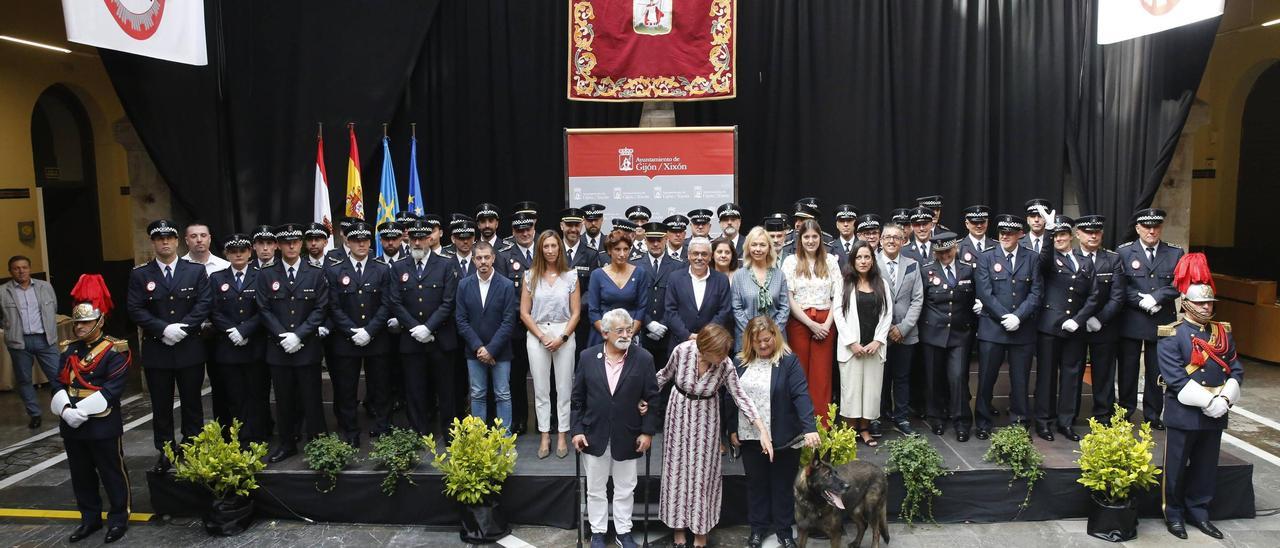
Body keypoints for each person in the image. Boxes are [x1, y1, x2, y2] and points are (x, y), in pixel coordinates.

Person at [658, 323, 773, 548]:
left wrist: (762, 430)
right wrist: (639, 397)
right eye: (718, 354)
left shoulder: (726, 365)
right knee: (676, 471)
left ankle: (701, 532)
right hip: (678, 413)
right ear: (704, 348)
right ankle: (678, 529)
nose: (722, 358)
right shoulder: (682, 351)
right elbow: (662, 376)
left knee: (703, 474)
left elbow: (740, 396)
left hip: (706, 417)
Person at [1157, 253, 1241, 540]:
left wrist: (1224, 401)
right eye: (1200, 303)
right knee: (1177, 468)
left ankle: (1199, 512)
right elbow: (1176, 378)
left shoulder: (1223, 333)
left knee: (1206, 469)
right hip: (1186, 412)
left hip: (1217, 411)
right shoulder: (1172, 334)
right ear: (1186, 304)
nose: (1206, 308)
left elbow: (1236, 370)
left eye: (1209, 303)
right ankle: (1174, 514)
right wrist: (1208, 402)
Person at [126, 219, 212, 472]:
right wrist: (162, 328)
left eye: (169, 238)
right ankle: (165, 449)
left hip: (189, 348)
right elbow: (134, 308)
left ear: (177, 241)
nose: (165, 242)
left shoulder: (195, 271)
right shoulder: (140, 274)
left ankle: (192, 445)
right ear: (153, 242)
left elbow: (204, 304)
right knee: (161, 405)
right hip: (158, 349)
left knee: (192, 402)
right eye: (159, 238)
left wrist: (182, 328)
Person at [727, 316, 820, 548]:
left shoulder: (788, 361)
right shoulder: (739, 362)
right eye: (757, 341)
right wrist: (731, 429)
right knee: (756, 485)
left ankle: (784, 531)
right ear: (749, 341)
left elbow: (801, 395)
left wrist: (809, 428)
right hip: (750, 436)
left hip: (784, 438)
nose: (763, 345)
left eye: (767, 340)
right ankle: (757, 529)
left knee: (781, 486)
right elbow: (730, 398)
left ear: (775, 337)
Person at [52, 275, 131, 544]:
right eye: (77, 323)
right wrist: (65, 411)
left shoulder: (114, 350)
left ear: (99, 321)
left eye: (86, 322)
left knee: (111, 472)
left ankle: (119, 518)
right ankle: (90, 519)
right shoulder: (69, 349)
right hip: (72, 423)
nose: (80, 327)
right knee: (81, 475)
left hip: (101, 421)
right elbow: (56, 381)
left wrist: (80, 412)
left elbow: (112, 389)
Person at [571, 309, 659, 548]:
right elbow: (577, 398)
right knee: (596, 488)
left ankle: (623, 532)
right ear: (605, 333)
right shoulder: (587, 357)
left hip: (628, 434)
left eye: (628, 330)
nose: (625, 334)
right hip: (593, 434)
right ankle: (598, 531)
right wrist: (577, 430)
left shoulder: (643, 358)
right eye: (619, 330)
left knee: (625, 488)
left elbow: (652, 398)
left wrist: (647, 431)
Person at [257, 223, 330, 463]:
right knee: (284, 399)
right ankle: (287, 443)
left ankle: (318, 443)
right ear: (278, 245)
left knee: (312, 398)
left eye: (295, 241)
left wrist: (298, 335)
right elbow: (264, 309)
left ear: (301, 244)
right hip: (278, 349)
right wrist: (282, 336)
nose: (291, 245)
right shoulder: (266, 274)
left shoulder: (315, 272)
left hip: (306, 347)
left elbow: (320, 308)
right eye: (286, 242)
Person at [323, 221, 394, 446]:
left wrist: (369, 330)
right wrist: (352, 331)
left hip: (376, 338)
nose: (361, 244)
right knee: (346, 389)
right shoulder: (335, 270)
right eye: (356, 240)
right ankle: (351, 432)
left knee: (381, 387)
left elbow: (387, 304)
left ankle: (383, 428)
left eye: (365, 240)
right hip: (347, 340)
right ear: (348, 242)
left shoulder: (382, 269)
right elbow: (333, 306)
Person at [974, 214, 1043, 439]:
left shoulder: (1032, 258)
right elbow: (985, 292)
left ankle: (1020, 421)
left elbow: (1036, 292)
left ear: (1020, 235)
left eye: (1010, 233)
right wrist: (1006, 317)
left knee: (1020, 378)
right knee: (986, 378)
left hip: (1022, 330)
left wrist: (1019, 317)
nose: (1005, 236)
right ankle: (983, 422)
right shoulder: (986, 257)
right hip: (993, 328)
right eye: (1002, 232)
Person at [388, 219, 459, 437]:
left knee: (446, 391)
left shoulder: (446, 264)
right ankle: (418, 433)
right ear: (408, 240)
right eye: (413, 239)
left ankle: (449, 434)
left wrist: (428, 328)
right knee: (415, 390)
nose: (417, 242)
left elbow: (448, 302)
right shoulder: (399, 267)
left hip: (440, 339)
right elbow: (395, 302)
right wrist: (414, 328)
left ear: (430, 239)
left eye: (422, 238)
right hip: (412, 341)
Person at [1032, 218, 1099, 442]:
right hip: (1050, 326)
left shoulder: (1085, 260)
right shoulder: (1050, 258)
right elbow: (1042, 261)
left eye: (1062, 234)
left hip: (1075, 329)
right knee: (1047, 376)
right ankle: (1043, 421)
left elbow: (1093, 296)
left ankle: (1066, 422)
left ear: (1071, 236)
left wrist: (1079, 320)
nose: (1059, 238)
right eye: (1055, 235)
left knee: (1072, 376)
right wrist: (1048, 233)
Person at [1117, 208, 1183, 430]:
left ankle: (1153, 415)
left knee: (1157, 370)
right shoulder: (1124, 252)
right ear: (1138, 229)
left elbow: (1179, 284)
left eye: (1155, 227)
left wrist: (1156, 297)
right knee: (1128, 368)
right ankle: (1125, 412)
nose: (1151, 231)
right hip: (1133, 319)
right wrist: (1140, 301)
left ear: (1161, 228)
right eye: (1146, 227)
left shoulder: (1175, 253)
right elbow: (1120, 286)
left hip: (1162, 319)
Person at [519, 230, 581, 458]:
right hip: (537, 333)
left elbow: (576, 313)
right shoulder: (530, 275)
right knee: (541, 388)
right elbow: (524, 313)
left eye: (554, 246)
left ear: (560, 248)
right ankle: (545, 435)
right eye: (546, 246)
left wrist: (562, 337)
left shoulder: (571, 276)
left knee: (564, 387)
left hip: (564, 331)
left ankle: (563, 435)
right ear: (540, 250)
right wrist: (542, 336)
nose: (550, 250)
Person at [207, 234, 270, 444]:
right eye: (233, 251)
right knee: (234, 396)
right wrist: (231, 330)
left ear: (250, 252)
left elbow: (265, 308)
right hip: (228, 347)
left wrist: (244, 330)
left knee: (257, 395)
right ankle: (239, 438)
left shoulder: (261, 275)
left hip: (254, 345)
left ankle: (259, 437)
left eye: (242, 250)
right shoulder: (217, 278)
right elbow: (213, 310)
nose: (238, 254)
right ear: (226, 254)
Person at [781, 220, 842, 422]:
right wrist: (810, 323)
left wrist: (826, 325)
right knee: (800, 374)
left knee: (822, 376)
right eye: (806, 237)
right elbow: (788, 296)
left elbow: (838, 296)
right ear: (800, 239)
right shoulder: (791, 261)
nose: (810, 240)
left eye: (814, 236)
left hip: (826, 322)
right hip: (800, 321)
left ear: (820, 238)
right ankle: (801, 425)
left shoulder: (831, 261)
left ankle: (822, 426)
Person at [919, 232, 978, 441]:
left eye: (948, 251)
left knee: (958, 378)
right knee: (934, 379)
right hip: (933, 333)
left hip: (960, 333)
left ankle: (961, 421)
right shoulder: (926, 271)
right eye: (940, 252)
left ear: (956, 249)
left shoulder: (968, 270)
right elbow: (921, 301)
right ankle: (936, 417)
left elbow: (974, 298)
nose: (945, 255)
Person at [455, 241, 519, 433]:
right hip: (474, 351)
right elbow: (461, 320)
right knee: (477, 394)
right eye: (479, 258)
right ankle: (478, 439)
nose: (483, 261)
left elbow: (509, 321)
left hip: (500, 351)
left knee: (503, 394)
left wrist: (491, 349)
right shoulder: (464, 285)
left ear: (493, 258)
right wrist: (479, 348)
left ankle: (505, 439)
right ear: (473, 260)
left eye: (487, 257)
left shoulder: (506, 285)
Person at [833, 241, 892, 446]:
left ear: (872, 260)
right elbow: (838, 314)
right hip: (852, 349)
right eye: (859, 257)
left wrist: (878, 340)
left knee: (871, 391)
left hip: (874, 348)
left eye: (867, 257)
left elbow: (887, 314)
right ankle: (849, 431)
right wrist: (851, 342)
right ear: (852, 260)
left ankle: (865, 429)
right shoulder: (844, 282)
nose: (863, 261)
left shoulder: (881, 283)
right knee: (850, 391)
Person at [1073, 215, 1126, 422]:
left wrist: (1100, 319)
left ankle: (1104, 415)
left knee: (1104, 373)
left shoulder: (1112, 259)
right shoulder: (1070, 256)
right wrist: (1080, 319)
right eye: (1088, 232)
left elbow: (1118, 295)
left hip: (1104, 326)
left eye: (1097, 232)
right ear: (1078, 234)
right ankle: (1070, 415)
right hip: (1075, 325)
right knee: (1073, 371)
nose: (1093, 235)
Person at [2, 255, 60, 429]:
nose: (21, 271)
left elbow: (54, 307)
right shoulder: (3, 291)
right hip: (19, 342)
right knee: (24, 380)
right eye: (16, 268)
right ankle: (34, 414)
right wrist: (10, 327)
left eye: (24, 267)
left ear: (30, 268)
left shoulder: (45, 287)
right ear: (10, 271)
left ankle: (65, 410)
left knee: (58, 377)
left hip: (45, 339)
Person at [876, 223, 923, 436]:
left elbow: (918, 299)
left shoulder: (912, 264)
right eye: (887, 237)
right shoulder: (871, 263)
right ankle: (877, 416)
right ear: (880, 240)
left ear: (903, 241)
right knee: (879, 378)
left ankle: (901, 418)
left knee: (902, 378)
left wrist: (903, 328)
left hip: (906, 333)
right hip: (879, 334)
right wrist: (885, 329)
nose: (892, 241)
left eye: (896, 237)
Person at [665, 237, 733, 350]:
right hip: (680, 343)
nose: (699, 258)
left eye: (704, 254)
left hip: (712, 344)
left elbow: (724, 311)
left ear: (710, 257)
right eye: (695, 253)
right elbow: (670, 310)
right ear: (688, 255)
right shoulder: (675, 278)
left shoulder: (721, 280)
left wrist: (706, 334)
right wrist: (687, 335)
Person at [634, 221, 684, 369]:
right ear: (645, 240)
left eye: (659, 239)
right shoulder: (635, 265)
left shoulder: (679, 265)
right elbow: (634, 298)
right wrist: (648, 323)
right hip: (642, 332)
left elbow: (679, 300)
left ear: (666, 239)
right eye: (651, 240)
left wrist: (664, 324)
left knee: (667, 380)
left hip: (669, 334)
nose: (655, 244)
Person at [587, 232, 651, 347]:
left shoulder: (639, 273)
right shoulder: (597, 275)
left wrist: (628, 334)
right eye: (617, 249)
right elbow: (593, 311)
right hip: (603, 336)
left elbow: (641, 308)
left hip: (630, 336)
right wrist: (608, 334)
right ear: (609, 250)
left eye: (626, 249)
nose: (622, 254)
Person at [733, 227, 791, 352]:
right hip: (747, 340)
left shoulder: (779, 275)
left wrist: (771, 333)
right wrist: (753, 333)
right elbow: (736, 308)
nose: (758, 249)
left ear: (769, 248)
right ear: (748, 247)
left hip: (775, 339)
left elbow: (784, 308)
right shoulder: (739, 275)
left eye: (762, 245)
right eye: (754, 245)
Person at [561, 208, 600, 351]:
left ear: (582, 225)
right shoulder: (553, 250)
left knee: (580, 361)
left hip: (581, 320)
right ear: (562, 226)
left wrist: (575, 308)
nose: (573, 229)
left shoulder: (591, 254)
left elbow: (592, 288)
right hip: (557, 317)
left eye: (576, 225)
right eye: (569, 225)